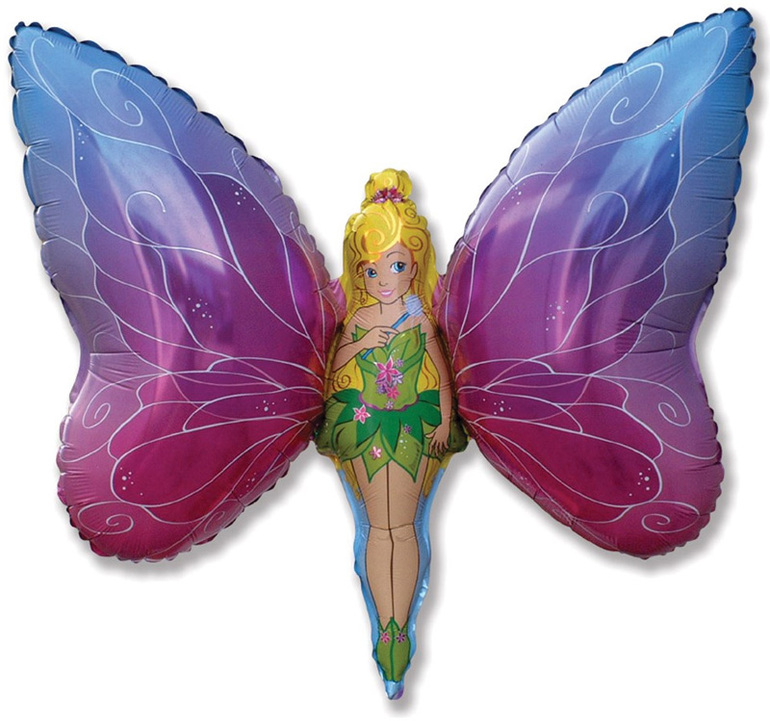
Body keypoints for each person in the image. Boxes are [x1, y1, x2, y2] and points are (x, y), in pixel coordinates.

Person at [316, 169, 467, 697]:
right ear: (360, 270)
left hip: (414, 424)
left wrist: (444, 417)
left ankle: (398, 629)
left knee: (401, 529)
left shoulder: (420, 317)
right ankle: (388, 627)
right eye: (373, 268)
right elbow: (337, 369)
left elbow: (441, 374)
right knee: (381, 530)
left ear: (415, 266)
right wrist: (362, 342)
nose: (385, 278)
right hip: (361, 423)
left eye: (397, 265)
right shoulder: (356, 320)